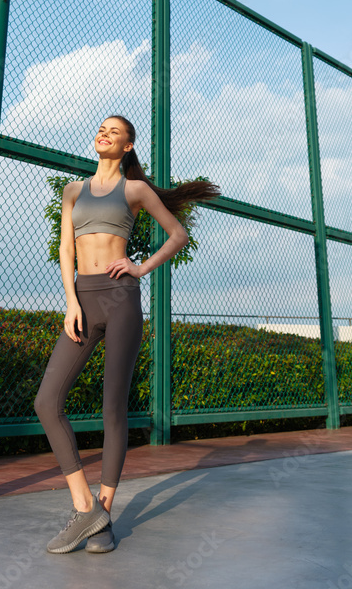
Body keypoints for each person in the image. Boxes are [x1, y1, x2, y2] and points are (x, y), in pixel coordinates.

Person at [34, 114, 220, 554]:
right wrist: (71, 301)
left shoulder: (135, 191)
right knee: (46, 401)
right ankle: (86, 510)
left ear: (128, 146)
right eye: (101, 128)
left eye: (114, 132)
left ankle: (104, 516)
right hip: (83, 298)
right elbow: (65, 247)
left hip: (121, 298)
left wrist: (140, 267)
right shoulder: (72, 191)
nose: (104, 134)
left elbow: (177, 234)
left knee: (112, 406)